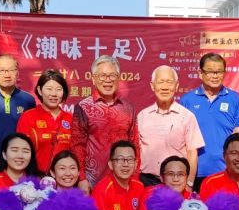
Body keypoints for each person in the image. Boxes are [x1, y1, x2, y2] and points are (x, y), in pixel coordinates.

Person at [179, 53, 239, 187]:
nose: (215, 76)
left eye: (219, 72)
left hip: (225, 171)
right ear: (200, 73)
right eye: (210, 71)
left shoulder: (235, 98)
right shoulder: (187, 100)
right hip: (195, 172)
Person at [72, 55, 138, 191]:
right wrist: (82, 178)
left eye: (112, 75)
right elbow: (77, 145)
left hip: (123, 180)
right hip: (92, 182)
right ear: (93, 79)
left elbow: (134, 144)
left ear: (119, 78)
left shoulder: (128, 107)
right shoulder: (83, 107)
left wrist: (135, 176)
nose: (107, 80)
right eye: (102, 76)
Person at [137, 65, 202, 188]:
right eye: (161, 82)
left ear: (176, 85)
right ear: (152, 86)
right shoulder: (142, 116)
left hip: (176, 183)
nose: (165, 87)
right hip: (146, 182)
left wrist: (189, 183)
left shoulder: (187, 116)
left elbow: (192, 153)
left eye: (169, 82)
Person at [0, 54, 36, 172]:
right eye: (2, 70)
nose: (7, 75)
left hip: (18, 160)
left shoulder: (28, 100)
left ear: (17, 73)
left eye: (11, 70)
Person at [16, 69, 72, 173]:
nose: (54, 94)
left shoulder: (71, 119)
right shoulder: (28, 117)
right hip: (35, 179)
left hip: (65, 180)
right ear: (40, 90)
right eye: (49, 89)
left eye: (58, 89)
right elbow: (20, 151)